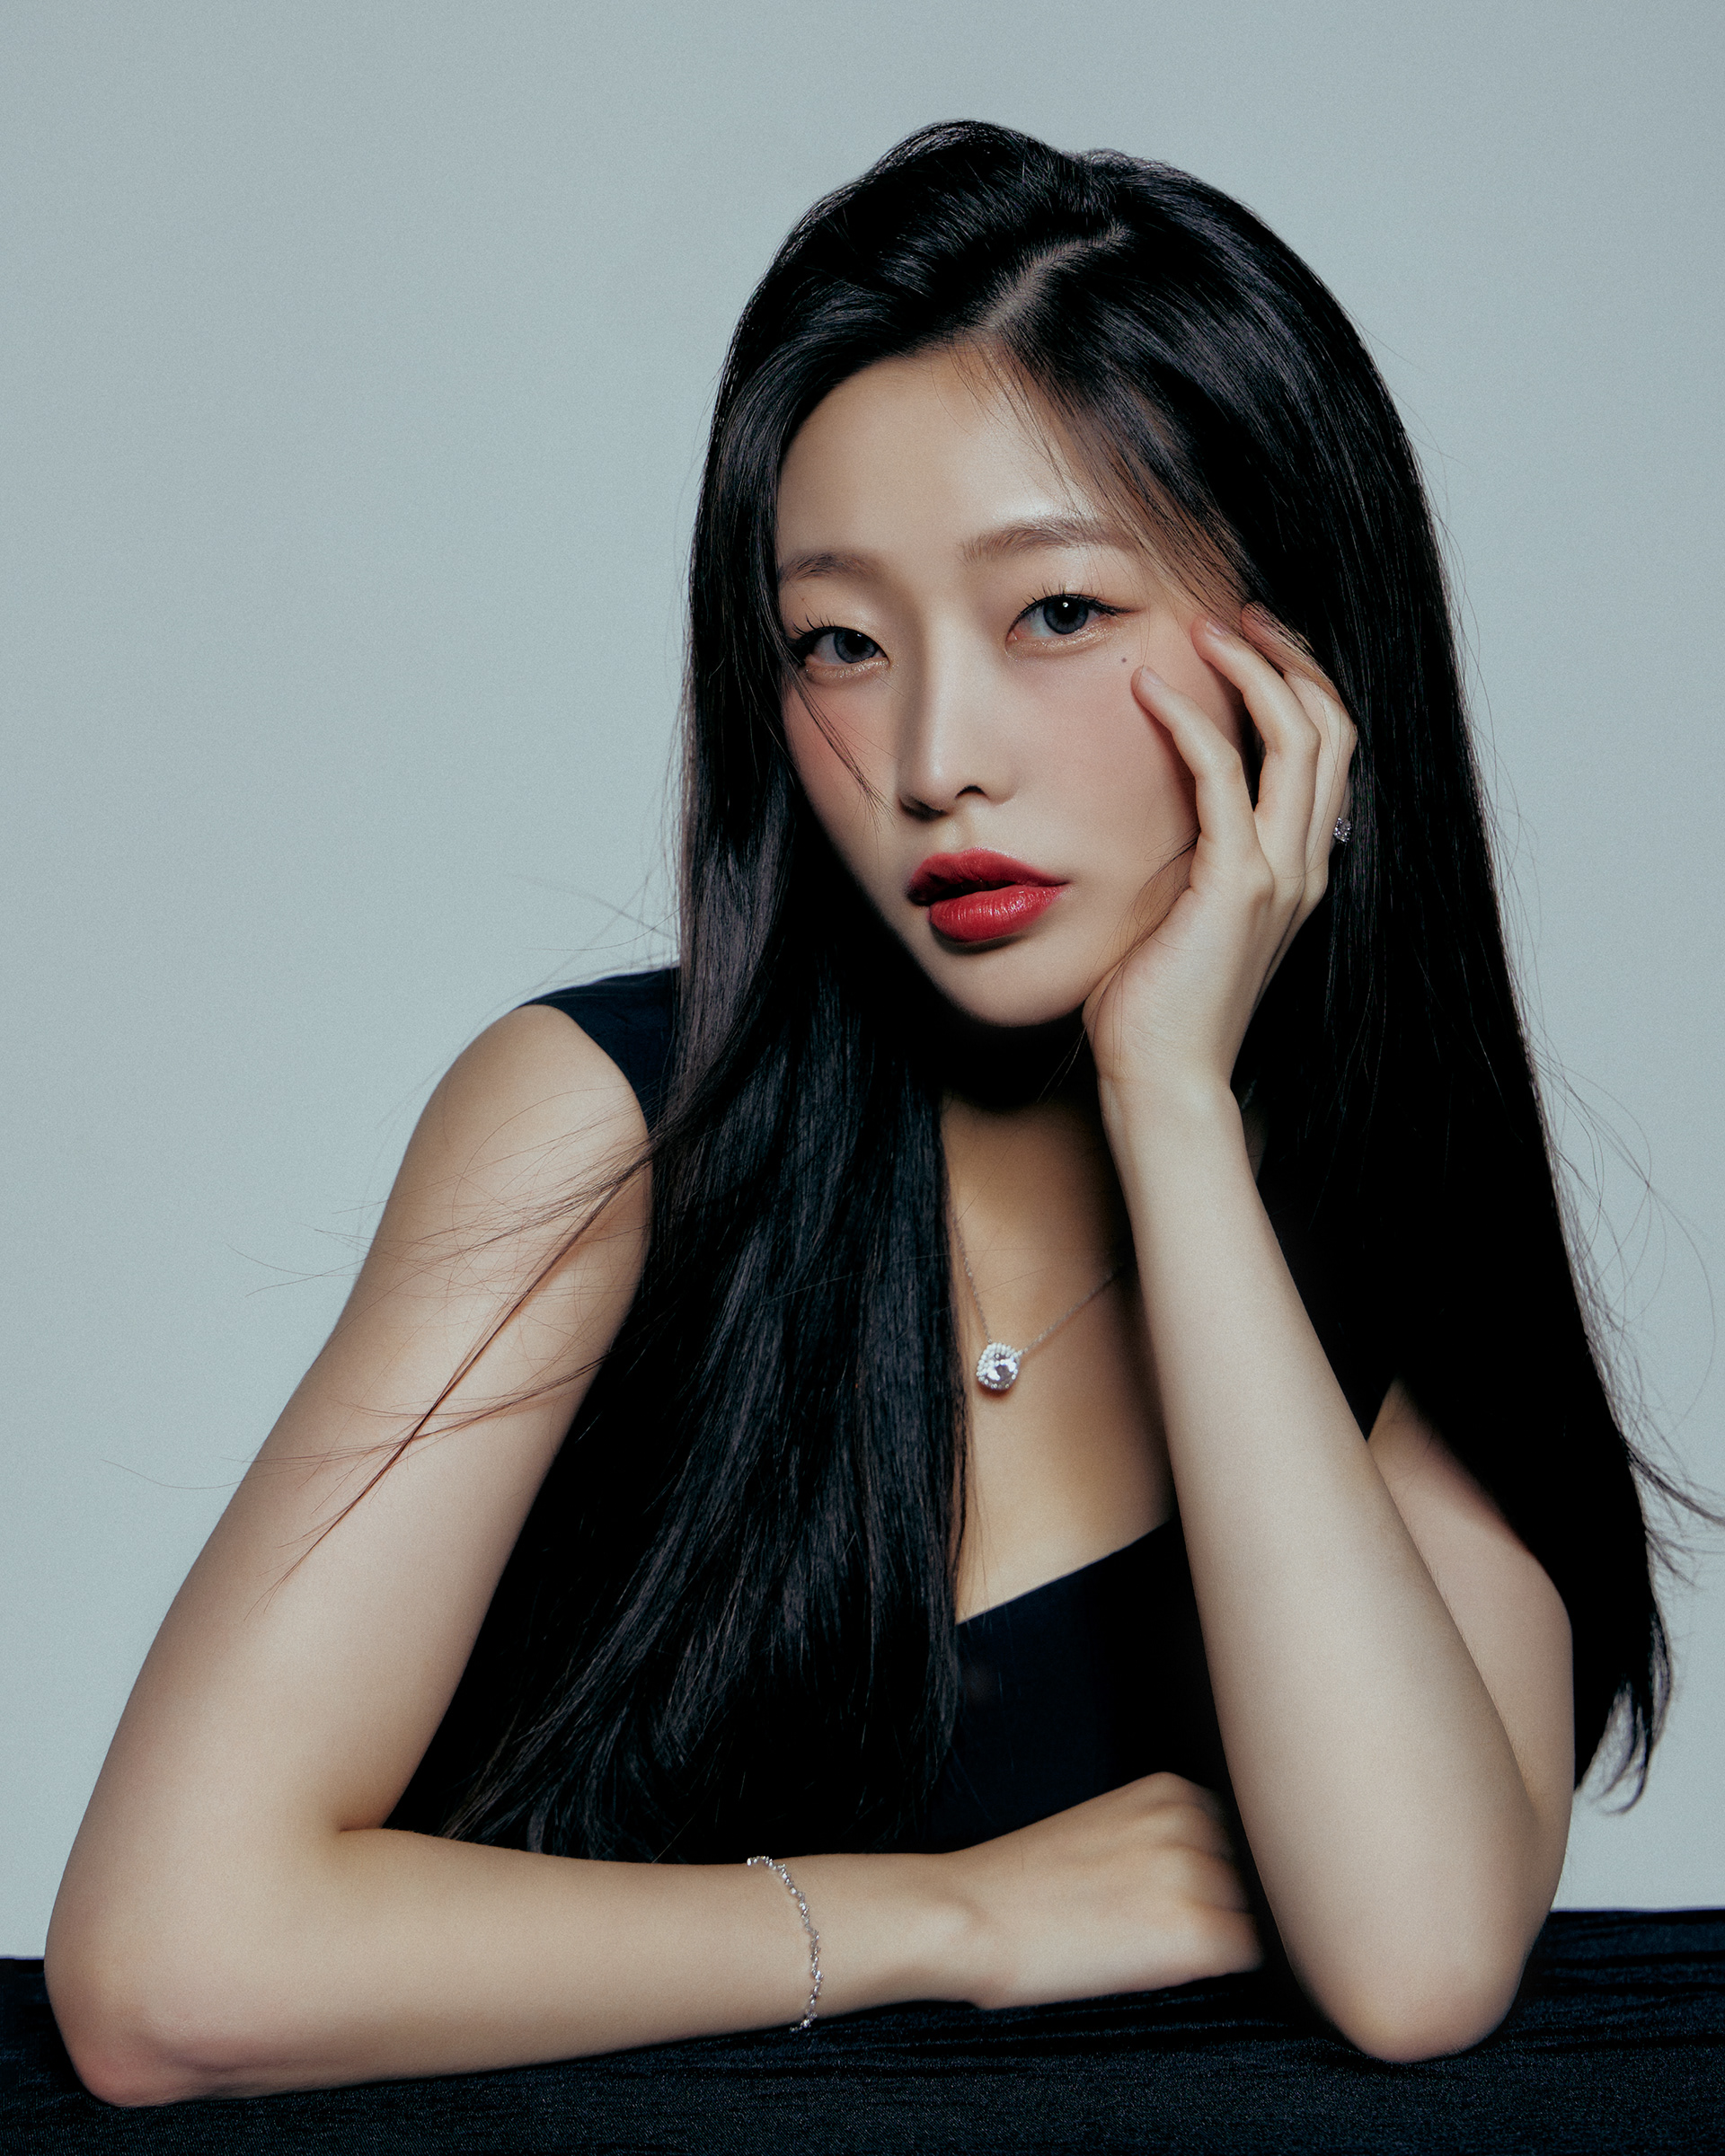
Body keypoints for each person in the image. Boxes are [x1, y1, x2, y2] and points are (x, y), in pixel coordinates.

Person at [47, 120, 1675, 2101]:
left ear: (1302, 661)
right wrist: (956, 1918)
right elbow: (169, 1968)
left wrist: (1169, 1104)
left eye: (1055, 613)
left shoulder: (1374, 1266)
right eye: (839, 642)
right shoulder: (603, 1134)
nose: (931, 760)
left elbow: (1419, 1963)